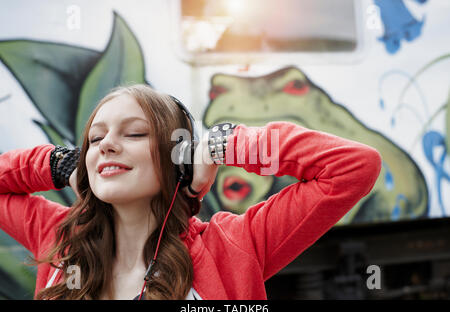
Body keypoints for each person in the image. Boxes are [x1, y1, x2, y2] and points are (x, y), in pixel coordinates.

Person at [0, 84, 382, 300]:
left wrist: (223, 145)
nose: (106, 146)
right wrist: (57, 164)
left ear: (179, 158)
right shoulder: (58, 238)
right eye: (96, 138)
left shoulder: (233, 245)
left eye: (134, 133)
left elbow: (353, 167)